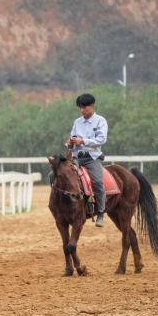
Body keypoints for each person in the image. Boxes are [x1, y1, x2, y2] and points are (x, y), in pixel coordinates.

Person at [68, 93, 109, 227]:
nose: (81, 110)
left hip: (92, 157)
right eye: (80, 107)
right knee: (58, 175)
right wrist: (70, 143)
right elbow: (72, 139)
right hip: (77, 157)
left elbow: (101, 139)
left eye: (84, 107)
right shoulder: (77, 122)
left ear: (92, 106)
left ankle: (101, 212)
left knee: (97, 181)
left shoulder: (100, 121)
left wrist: (83, 141)